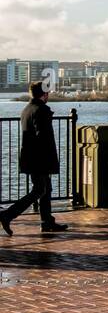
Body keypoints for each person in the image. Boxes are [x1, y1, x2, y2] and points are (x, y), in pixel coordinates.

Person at [0, 82, 68, 235]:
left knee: (46, 189)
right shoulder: (41, 110)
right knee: (39, 190)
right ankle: (7, 215)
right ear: (44, 94)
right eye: (48, 93)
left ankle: (47, 221)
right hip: (40, 159)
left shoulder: (26, 109)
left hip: (30, 157)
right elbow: (43, 137)